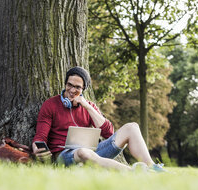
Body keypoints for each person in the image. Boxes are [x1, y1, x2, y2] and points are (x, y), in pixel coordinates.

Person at [32, 66, 166, 172]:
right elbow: (40, 137)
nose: (72, 90)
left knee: (132, 127)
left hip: (93, 152)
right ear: (65, 83)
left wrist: (87, 106)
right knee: (83, 152)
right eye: (69, 85)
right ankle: (134, 172)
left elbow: (108, 133)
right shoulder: (50, 105)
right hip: (65, 156)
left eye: (77, 87)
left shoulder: (89, 106)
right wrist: (37, 148)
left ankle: (153, 168)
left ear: (84, 89)